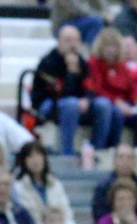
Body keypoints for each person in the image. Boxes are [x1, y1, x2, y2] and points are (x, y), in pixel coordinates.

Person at [32, 22, 121, 160]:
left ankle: (96, 151)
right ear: (59, 42)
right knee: (71, 104)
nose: (72, 45)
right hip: (48, 104)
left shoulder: (82, 63)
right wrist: (71, 73)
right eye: (68, 40)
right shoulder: (49, 62)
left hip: (76, 104)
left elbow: (90, 87)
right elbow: (57, 92)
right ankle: (66, 154)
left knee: (103, 104)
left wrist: (87, 99)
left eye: (76, 40)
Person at [12, 141, 82, 224]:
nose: (35, 160)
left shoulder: (55, 183)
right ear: (23, 160)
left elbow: (65, 211)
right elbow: (26, 219)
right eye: (30, 156)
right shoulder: (18, 186)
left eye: (39, 155)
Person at [91, 143, 137, 224]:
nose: (125, 162)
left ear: (135, 161)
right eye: (121, 157)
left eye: (129, 158)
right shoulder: (103, 188)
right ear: (114, 161)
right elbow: (99, 215)